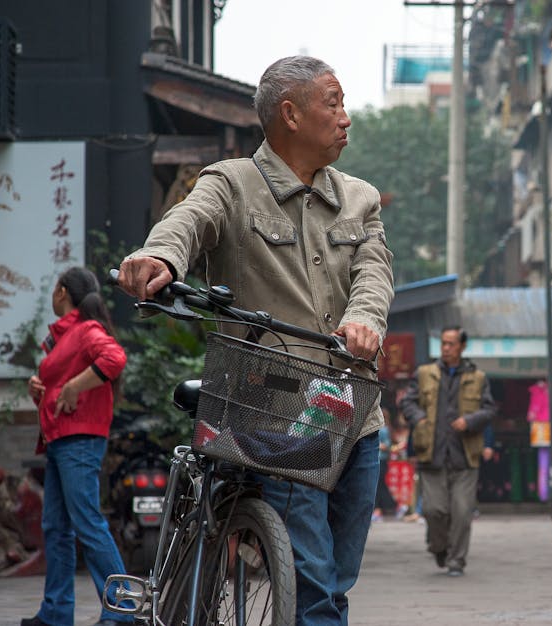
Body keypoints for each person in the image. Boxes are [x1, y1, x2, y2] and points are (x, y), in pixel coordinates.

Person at [116, 55, 394, 625]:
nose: (346, 117)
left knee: (336, 583)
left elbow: (375, 273)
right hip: (273, 405)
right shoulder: (232, 183)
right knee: (316, 587)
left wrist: (364, 319)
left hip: (354, 412)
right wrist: (158, 256)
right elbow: (188, 221)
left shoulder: (362, 198)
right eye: (333, 102)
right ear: (290, 114)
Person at [23, 266, 130, 626]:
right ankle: (55, 613)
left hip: (79, 441)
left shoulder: (86, 330)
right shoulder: (66, 336)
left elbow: (114, 359)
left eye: (54, 288)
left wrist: (72, 388)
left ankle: (123, 609)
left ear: (63, 292)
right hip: (58, 439)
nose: (52, 294)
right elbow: (61, 381)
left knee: (87, 523)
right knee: (56, 527)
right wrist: (40, 390)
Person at [398, 326, 496, 576]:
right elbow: (408, 402)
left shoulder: (478, 377)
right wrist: (419, 418)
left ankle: (456, 561)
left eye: (451, 344)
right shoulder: (424, 373)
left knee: (462, 512)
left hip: (465, 456)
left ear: (462, 347)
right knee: (433, 510)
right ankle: (439, 546)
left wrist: (470, 421)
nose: (446, 348)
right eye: (443, 343)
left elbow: (489, 410)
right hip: (432, 453)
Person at [372, 410, 397, 521]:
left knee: (378, 484)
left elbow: (387, 445)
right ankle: (389, 506)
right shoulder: (380, 428)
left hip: (381, 459)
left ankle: (379, 508)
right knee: (380, 484)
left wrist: (375, 444)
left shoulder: (384, 429)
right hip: (378, 459)